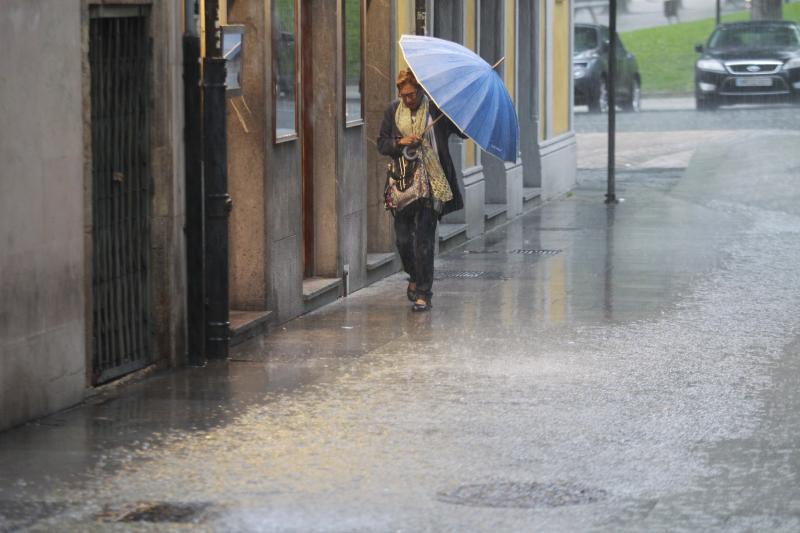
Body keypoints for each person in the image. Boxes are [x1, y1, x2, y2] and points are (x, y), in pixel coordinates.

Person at [377, 69, 465, 312]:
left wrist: (458, 109)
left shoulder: (436, 110)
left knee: (424, 240)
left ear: (422, 91)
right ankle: (414, 276)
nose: (408, 99)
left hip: (432, 183)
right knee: (404, 240)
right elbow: (382, 144)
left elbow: (463, 133)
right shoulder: (392, 111)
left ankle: (424, 293)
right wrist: (400, 142)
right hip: (403, 184)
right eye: (404, 95)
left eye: (412, 94)